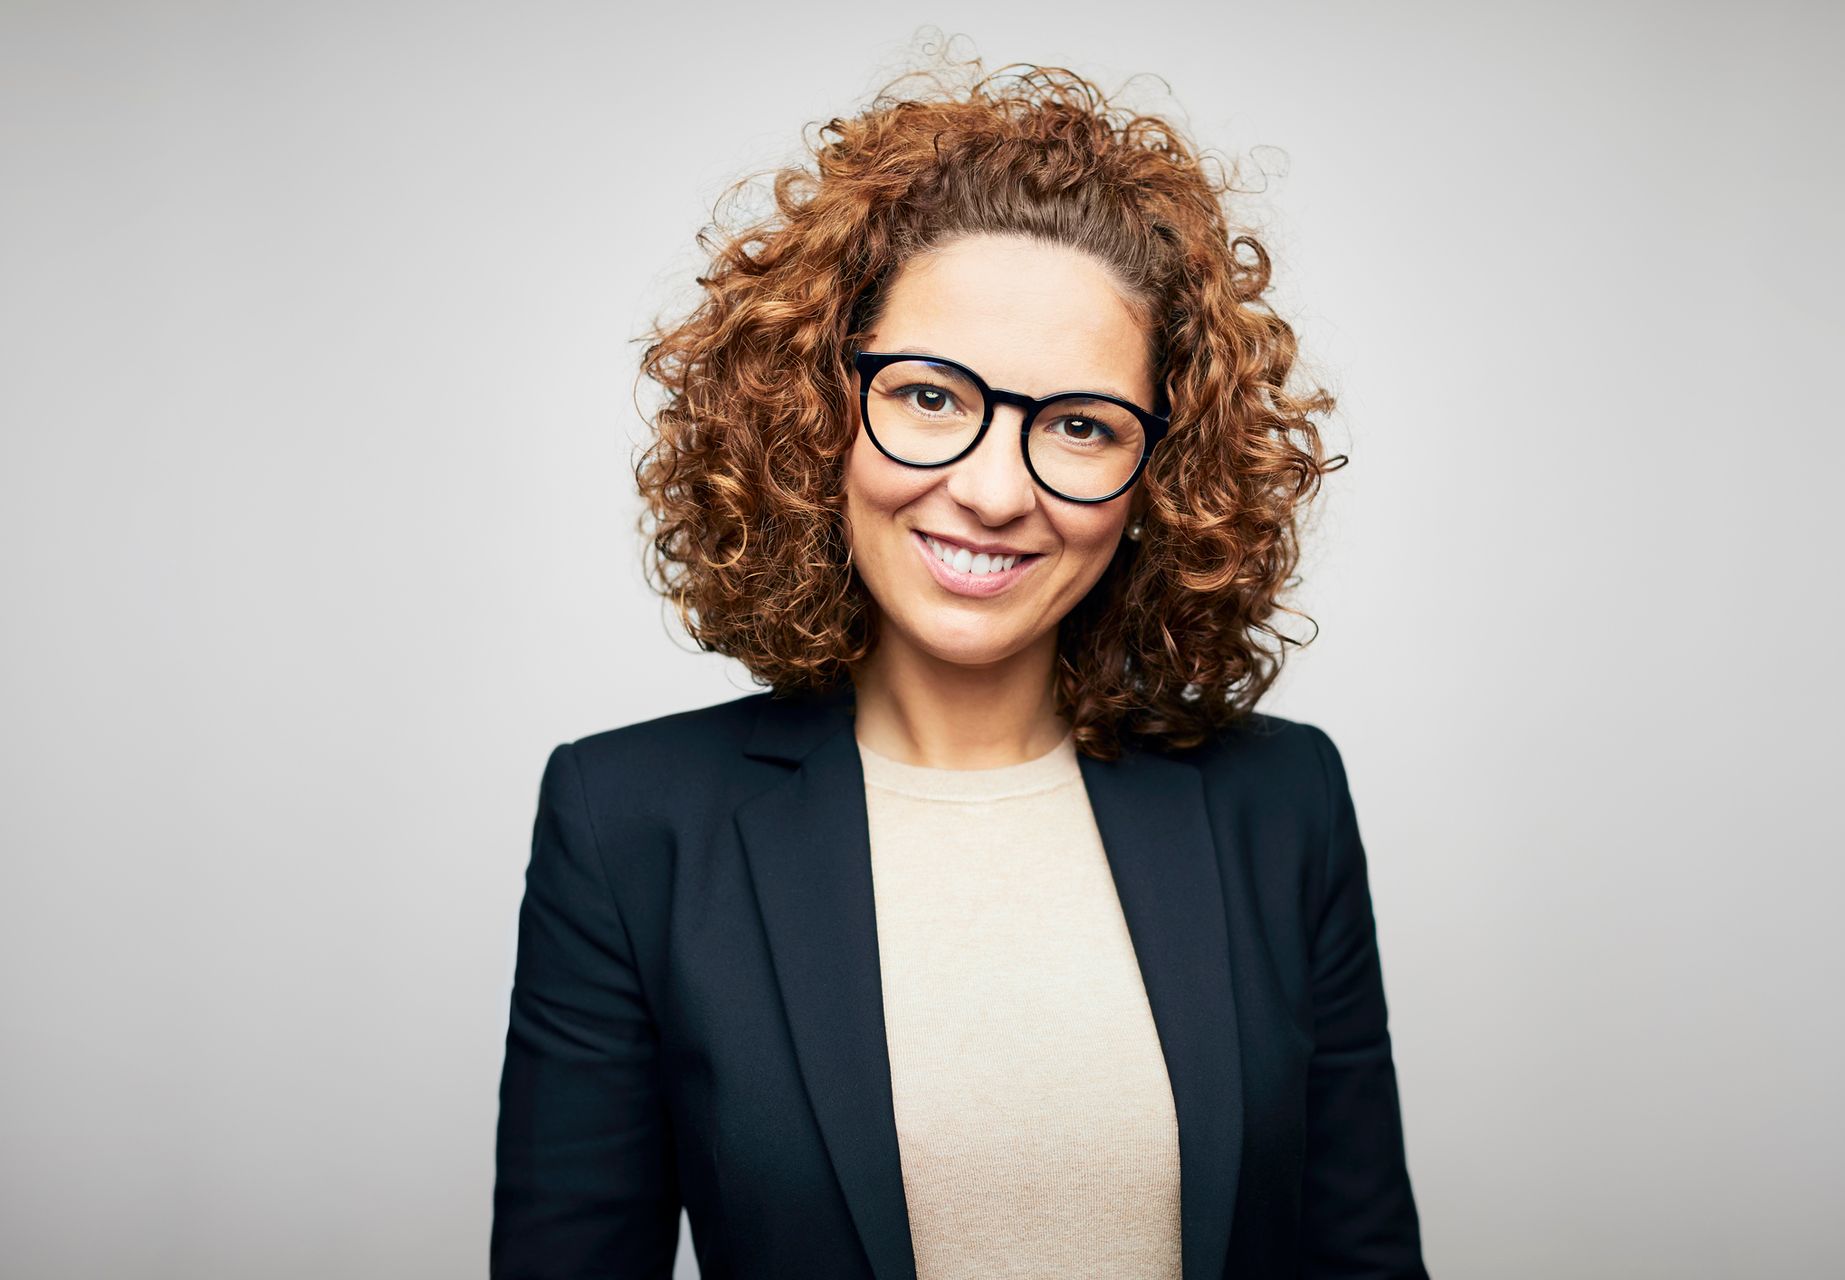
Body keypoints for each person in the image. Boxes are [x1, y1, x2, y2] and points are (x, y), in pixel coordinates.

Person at [491, 54, 1429, 1280]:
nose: (993, 491)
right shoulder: (631, 824)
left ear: (1162, 477)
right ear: (817, 412)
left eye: (1082, 425)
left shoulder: (1281, 802)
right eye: (931, 395)